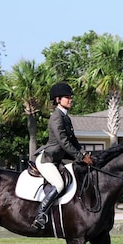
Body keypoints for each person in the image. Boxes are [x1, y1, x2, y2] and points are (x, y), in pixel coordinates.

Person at [32, 82, 92, 230]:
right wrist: (80, 157)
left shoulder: (66, 117)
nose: (70, 100)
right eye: (67, 97)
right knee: (59, 184)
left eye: (71, 97)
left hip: (58, 159)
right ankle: (40, 215)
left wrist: (84, 154)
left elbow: (74, 141)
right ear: (58, 99)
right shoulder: (56, 118)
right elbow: (64, 143)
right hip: (48, 159)